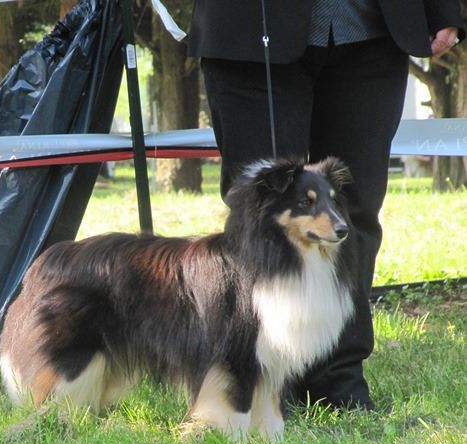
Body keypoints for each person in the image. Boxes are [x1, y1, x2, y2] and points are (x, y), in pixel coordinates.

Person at [187, 1, 464, 410]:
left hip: (372, 32)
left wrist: (441, 8)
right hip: (248, 28)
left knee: (350, 213)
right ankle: (252, 381)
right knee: (261, 215)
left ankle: (337, 382)